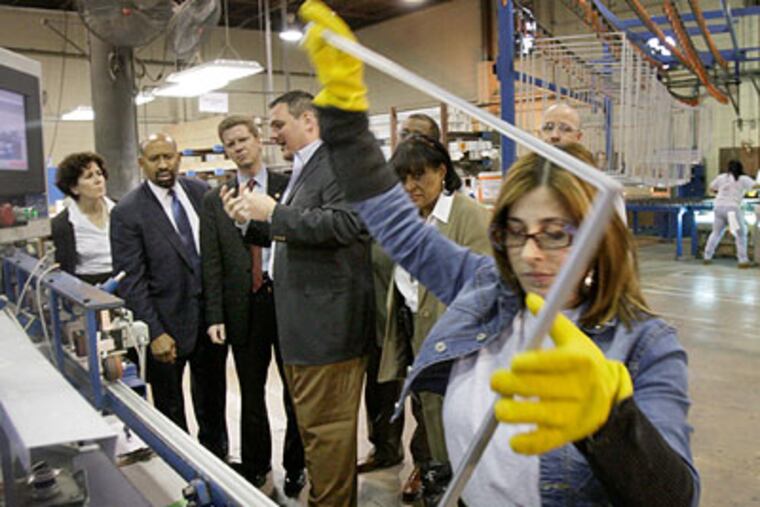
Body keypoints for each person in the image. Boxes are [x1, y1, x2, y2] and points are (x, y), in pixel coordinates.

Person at [296, 2, 700, 505]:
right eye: (515, 230)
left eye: (555, 233)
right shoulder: (486, 289)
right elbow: (396, 223)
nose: (530, 253)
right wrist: (344, 119)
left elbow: (677, 495)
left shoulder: (644, 344)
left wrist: (610, 423)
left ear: (598, 239)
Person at [221, 91, 374, 507]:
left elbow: (346, 225)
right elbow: (293, 234)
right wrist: (248, 222)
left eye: (278, 124)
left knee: (328, 434)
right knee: (316, 432)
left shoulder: (340, 163)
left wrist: (273, 212)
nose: (272, 135)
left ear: (309, 120)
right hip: (304, 328)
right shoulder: (305, 170)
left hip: (329, 330)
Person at [373, 134, 492, 503]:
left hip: (451, 336)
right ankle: (439, 478)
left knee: (451, 413)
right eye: (402, 179)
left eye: (419, 176)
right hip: (414, 328)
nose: (410, 186)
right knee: (427, 410)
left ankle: (458, 487)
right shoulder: (411, 216)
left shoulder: (467, 215)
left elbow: (482, 285)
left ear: (442, 171)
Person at [200, 115, 305, 495]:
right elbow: (210, 261)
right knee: (251, 391)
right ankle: (258, 466)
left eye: (243, 139)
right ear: (225, 152)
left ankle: (296, 465)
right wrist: (215, 315)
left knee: (296, 392)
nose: (238, 147)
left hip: (287, 300)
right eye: (230, 144)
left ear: (259, 141)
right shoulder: (216, 200)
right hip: (244, 307)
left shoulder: (288, 185)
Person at [110, 133, 228, 458]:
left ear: (178, 158)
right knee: (170, 410)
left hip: (210, 324)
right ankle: (183, 472)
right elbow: (131, 281)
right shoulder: (128, 211)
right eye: (154, 158)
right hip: (165, 328)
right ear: (141, 163)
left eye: (168, 157)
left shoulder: (202, 193)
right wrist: (156, 332)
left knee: (213, 404)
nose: (163, 165)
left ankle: (218, 466)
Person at [51, 151, 115, 285]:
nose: (98, 180)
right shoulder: (62, 225)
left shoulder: (120, 211)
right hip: (86, 287)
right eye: (89, 176)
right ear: (74, 188)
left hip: (125, 281)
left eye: (99, 173)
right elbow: (64, 269)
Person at [703, 160, 755, 268]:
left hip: (718, 208)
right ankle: (742, 260)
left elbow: (711, 188)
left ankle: (707, 256)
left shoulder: (722, 177)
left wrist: (722, 194)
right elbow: (755, 186)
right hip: (732, 211)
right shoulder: (743, 179)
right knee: (740, 234)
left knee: (716, 233)